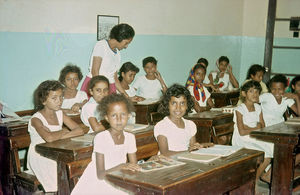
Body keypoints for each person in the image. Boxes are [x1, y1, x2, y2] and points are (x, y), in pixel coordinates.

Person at [71, 94, 140, 195]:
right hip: (99, 181)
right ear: (106, 118)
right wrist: (121, 166)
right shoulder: (101, 138)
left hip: (118, 176)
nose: (119, 119)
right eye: (113, 115)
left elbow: (134, 166)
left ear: (129, 115)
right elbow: (100, 174)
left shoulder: (130, 137)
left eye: (123, 114)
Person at [27, 80, 84, 193]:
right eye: (54, 98)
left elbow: (79, 130)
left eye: (61, 97)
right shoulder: (36, 119)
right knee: (60, 174)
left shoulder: (60, 113)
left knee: (75, 168)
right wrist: (64, 131)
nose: (59, 101)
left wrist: (60, 133)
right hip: (40, 155)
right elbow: (49, 138)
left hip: (57, 151)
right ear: (43, 101)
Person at [154, 84, 212, 157]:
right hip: (169, 163)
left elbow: (192, 148)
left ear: (187, 105)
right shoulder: (162, 126)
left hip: (186, 160)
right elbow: (164, 153)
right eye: (174, 103)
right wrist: (188, 151)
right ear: (167, 104)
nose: (178, 108)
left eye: (182, 103)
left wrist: (197, 147)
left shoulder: (190, 125)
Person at [232, 80, 273, 181]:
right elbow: (242, 132)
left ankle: (266, 174)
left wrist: (250, 128)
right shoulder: (239, 109)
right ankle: (252, 181)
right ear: (244, 93)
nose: (255, 94)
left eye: (257, 91)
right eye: (251, 91)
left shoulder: (258, 107)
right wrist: (255, 128)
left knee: (275, 147)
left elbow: (263, 126)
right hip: (242, 140)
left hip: (254, 137)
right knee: (266, 155)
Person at [81, 23, 135, 96]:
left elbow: (115, 78)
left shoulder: (118, 54)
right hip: (95, 84)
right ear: (120, 38)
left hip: (110, 86)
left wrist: (127, 96)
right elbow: (95, 71)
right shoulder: (101, 45)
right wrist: (100, 91)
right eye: (126, 43)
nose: (126, 46)